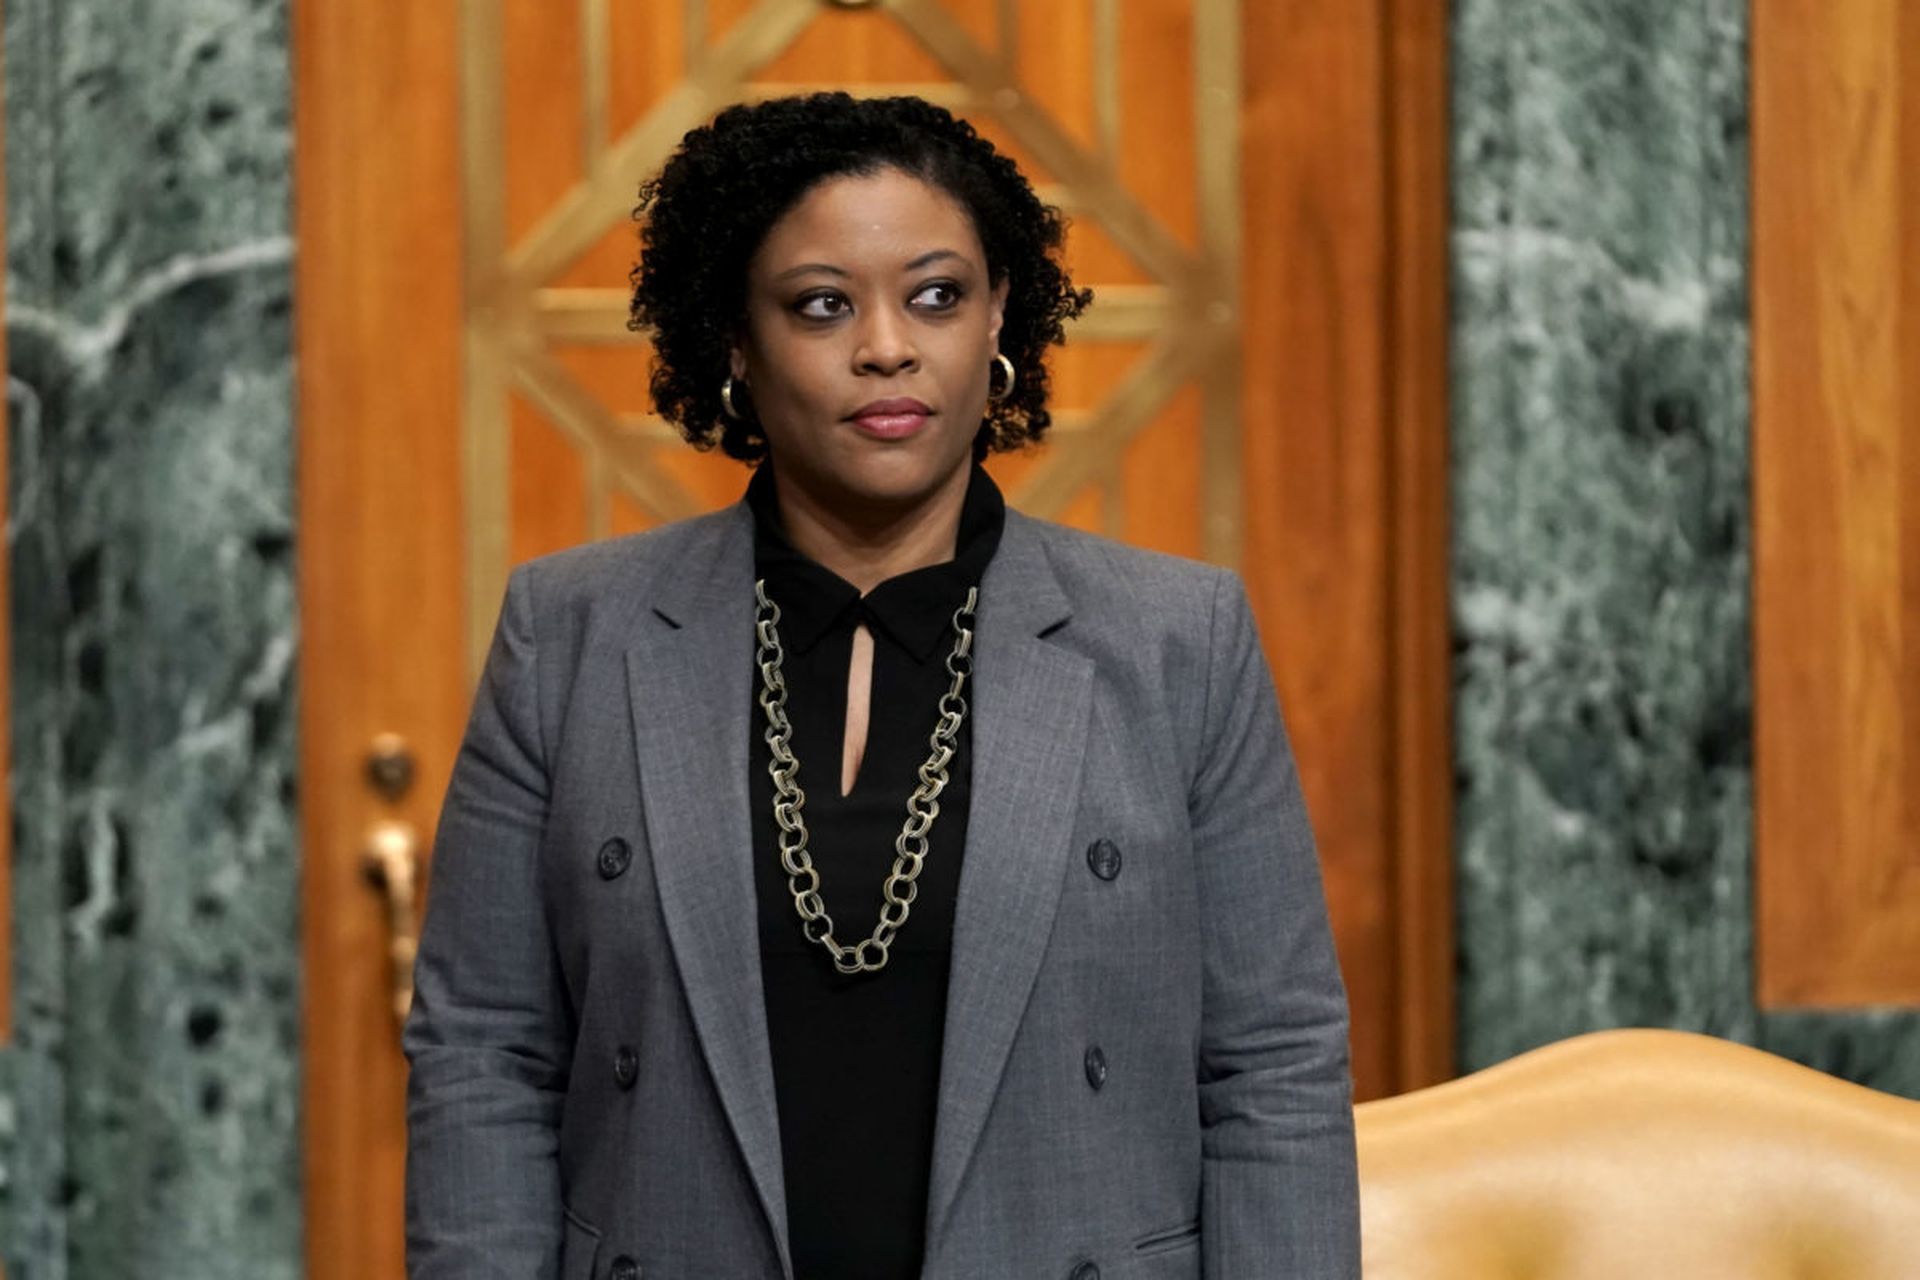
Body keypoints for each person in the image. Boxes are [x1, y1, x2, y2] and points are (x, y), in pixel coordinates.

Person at [403, 92, 1359, 1280]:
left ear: (1000, 314)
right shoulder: (572, 631)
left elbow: (1273, 1062)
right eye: (821, 305)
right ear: (736, 344)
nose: (887, 346)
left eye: (937, 294)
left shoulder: (1176, 637)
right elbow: (484, 1053)